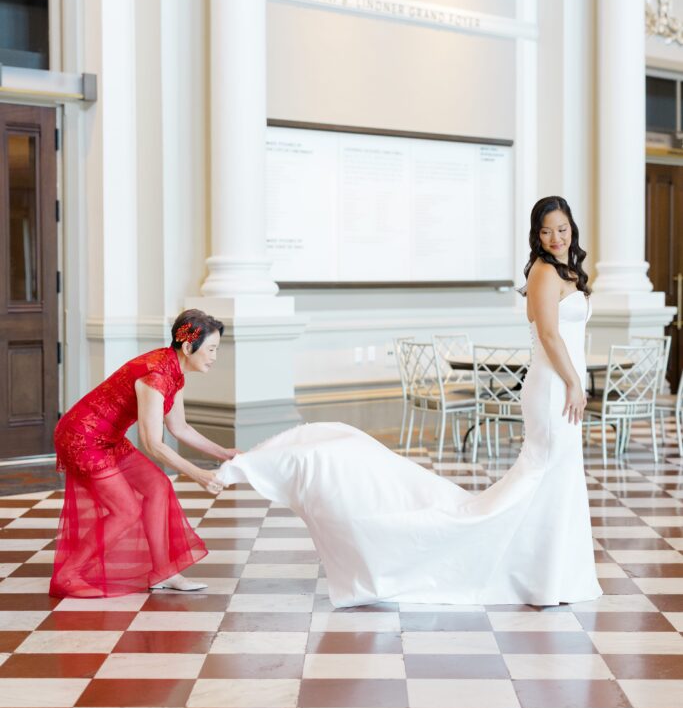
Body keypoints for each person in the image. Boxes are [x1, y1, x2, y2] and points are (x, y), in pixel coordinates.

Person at [217, 197, 603, 608]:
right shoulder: (544, 272)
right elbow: (548, 335)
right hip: (555, 386)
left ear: (572, 228)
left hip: (562, 382)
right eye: (546, 231)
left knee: (558, 475)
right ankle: (530, 573)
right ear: (536, 235)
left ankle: (551, 573)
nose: (556, 238)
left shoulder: (568, 272)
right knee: (543, 471)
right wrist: (575, 383)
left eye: (562, 229)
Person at [50, 309, 237, 598]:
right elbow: (153, 444)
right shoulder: (157, 376)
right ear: (188, 347)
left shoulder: (174, 371)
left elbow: (180, 427)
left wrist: (224, 453)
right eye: (211, 349)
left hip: (106, 436)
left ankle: (163, 572)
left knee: (158, 487)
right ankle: (67, 574)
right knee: (125, 511)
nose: (214, 356)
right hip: (82, 436)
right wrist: (198, 473)